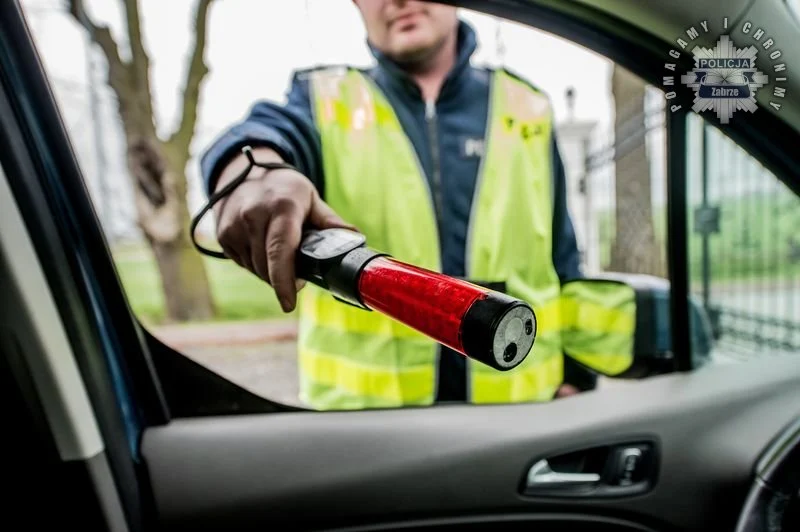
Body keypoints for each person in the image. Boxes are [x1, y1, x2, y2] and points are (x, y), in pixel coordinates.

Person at [199, 0, 630, 410]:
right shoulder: (324, 100)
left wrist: (579, 375)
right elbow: (263, 134)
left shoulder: (528, 108)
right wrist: (254, 174)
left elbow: (561, 258)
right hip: (373, 431)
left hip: (518, 414)